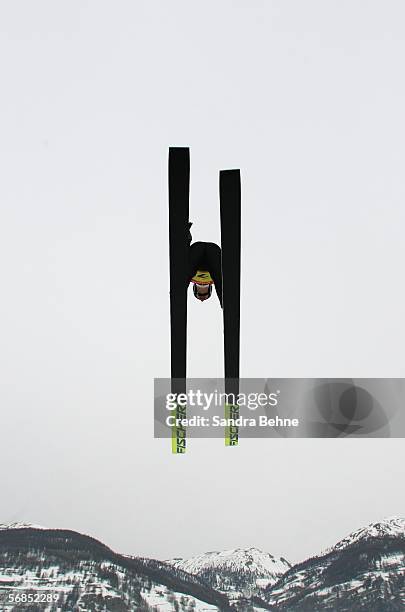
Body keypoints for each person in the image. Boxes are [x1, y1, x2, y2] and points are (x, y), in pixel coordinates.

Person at [187, 223, 223, 307]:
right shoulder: (214, 280)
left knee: (184, 274)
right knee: (220, 278)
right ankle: (226, 303)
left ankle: (184, 235)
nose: (202, 299)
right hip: (213, 254)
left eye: (200, 294)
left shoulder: (191, 279)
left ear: (195, 289)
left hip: (197, 252)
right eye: (204, 295)